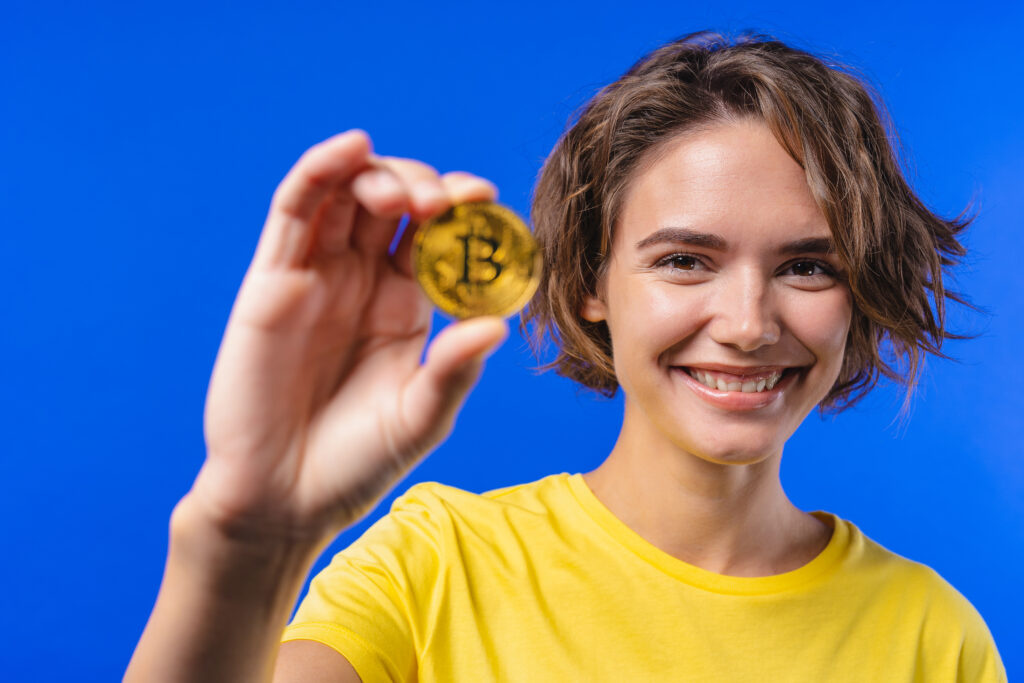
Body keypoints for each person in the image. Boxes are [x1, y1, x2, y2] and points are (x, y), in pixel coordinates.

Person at [126, 31, 1007, 682]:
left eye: (808, 266)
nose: (746, 323)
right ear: (591, 281)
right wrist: (246, 544)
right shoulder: (433, 567)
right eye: (684, 259)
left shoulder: (933, 634)